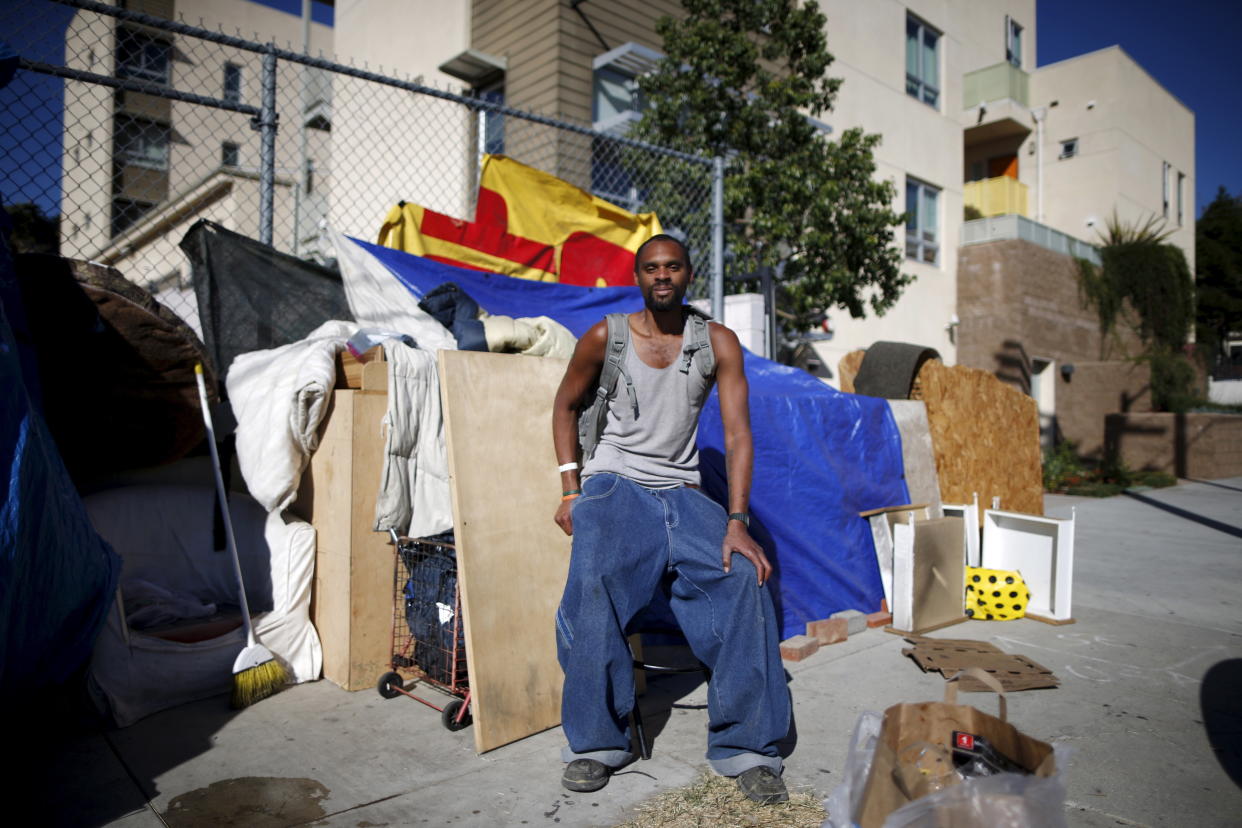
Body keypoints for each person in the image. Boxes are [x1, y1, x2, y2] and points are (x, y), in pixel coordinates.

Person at [550, 234, 791, 804]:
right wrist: (569, 488)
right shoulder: (604, 338)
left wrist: (737, 521)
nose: (663, 276)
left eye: (673, 266)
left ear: (688, 275)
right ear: (638, 276)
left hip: (682, 489)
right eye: (652, 267)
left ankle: (747, 746)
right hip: (614, 483)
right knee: (593, 578)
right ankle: (595, 743)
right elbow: (564, 405)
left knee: (743, 578)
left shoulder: (718, 343)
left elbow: (737, 435)